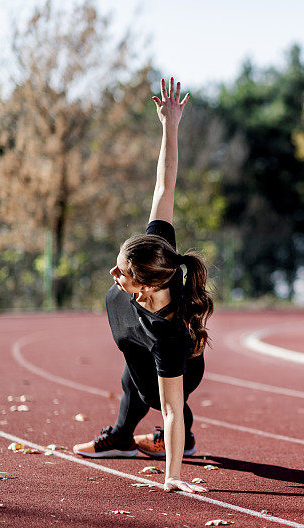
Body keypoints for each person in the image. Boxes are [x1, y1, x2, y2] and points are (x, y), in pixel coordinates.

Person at [73, 77, 212, 494]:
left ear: (144, 288)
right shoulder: (159, 253)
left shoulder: (167, 336)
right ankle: (121, 436)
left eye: (121, 275)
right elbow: (164, 184)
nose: (113, 275)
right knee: (127, 377)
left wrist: (172, 478)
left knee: (149, 390)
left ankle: (182, 443)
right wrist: (170, 124)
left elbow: (169, 408)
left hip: (175, 366)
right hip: (139, 343)